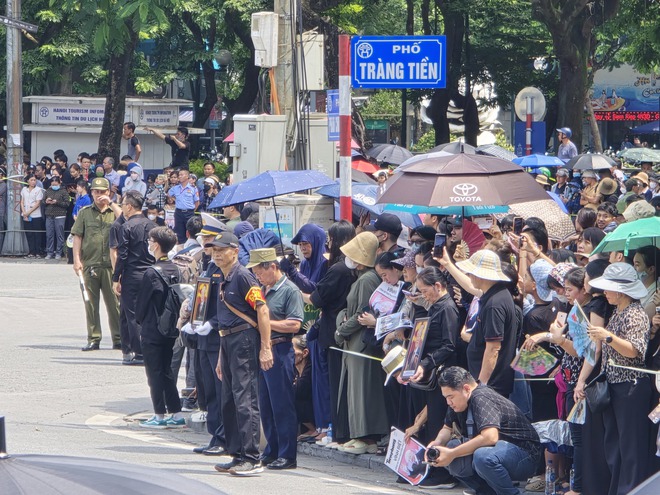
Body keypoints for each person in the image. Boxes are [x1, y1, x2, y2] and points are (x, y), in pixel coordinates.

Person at [208, 232, 274, 476]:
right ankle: (236, 454)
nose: (216, 253)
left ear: (234, 251)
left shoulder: (243, 276)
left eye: (221, 249)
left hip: (244, 340)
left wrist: (265, 347)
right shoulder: (224, 277)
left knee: (245, 398)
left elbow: (262, 310)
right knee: (229, 400)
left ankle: (251, 456)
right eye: (213, 249)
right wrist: (219, 358)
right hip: (228, 341)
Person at [584, 263, 652, 494]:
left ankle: (631, 489)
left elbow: (634, 351)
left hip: (630, 386)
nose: (605, 292)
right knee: (614, 445)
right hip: (614, 385)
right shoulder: (618, 312)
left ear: (622, 291)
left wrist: (608, 337)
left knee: (630, 446)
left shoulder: (636, 314)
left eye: (609, 288)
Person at [427, 366, 541, 495]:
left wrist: (452, 453)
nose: (448, 402)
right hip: (500, 452)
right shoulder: (458, 401)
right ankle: (486, 492)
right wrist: (438, 443)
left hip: (525, 455)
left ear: (466, 389)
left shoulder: (481, 397)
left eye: (451, 396)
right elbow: (447, 428)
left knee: (482, 456)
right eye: (446, 397)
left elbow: (490, 437)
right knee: (447, 449)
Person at [250, 248, 304, 470]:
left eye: (260, 272)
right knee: (266, 404)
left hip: (280, 349)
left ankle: (287, 454)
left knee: (282, 404)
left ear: (272, 266)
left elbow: (295, 324)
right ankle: (271, 450)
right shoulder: (262, 289)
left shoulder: (290, 290)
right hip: (263, 349)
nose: (258, 277)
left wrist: (264, 323)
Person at [335, 231, 389, 454]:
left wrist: (340, 330)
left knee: (363, 390)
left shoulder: (367, 279)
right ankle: (358, 434)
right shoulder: (364, 278)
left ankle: (366, 436)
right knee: (357, 389)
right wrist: (342, 325)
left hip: (359, 342)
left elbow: (360, 313)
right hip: (354, 341)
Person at [307, 220, 357, 444]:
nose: (328, 244)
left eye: (331, 239)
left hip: (332, 331)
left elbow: (317, 298)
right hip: (339, 331)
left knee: (334, 383)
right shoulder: (346, 268)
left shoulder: (339, 269)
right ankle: (333, 429)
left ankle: (335, 430)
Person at [135, 226, 185, 428]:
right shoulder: (177, 269)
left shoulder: (151, 273)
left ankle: (159, 414)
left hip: (153, 329)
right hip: (171, 327)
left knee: (154, 373)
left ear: (156, 244)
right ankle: (175, 412)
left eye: (150, 240)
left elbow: (141, 306)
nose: (148, 244)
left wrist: (139, 321)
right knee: (167, 371)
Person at [456, 250, 517, 397]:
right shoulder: (494, 295)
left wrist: (481, 385)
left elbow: (493, 349)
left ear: (480, 275)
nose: (469, 276)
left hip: (491, 385)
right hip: (490, 383)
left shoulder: (494, 304)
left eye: (471, 273)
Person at [71, 177, 122, 351]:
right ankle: (94, 338)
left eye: (102, 191)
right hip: (90, 264)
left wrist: (112, 204)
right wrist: (77, 260)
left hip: (111, 265)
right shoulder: (85, 212)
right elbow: (77, 236)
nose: (99, 195)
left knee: (115, 304)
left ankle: (118, 338)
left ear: (109, 192)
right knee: (91, 304)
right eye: (96, 191)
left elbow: (127, 221)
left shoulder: (115, 212)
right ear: (91, 192)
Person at [113, 190, 157, 365]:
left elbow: (122, 255)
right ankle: (135, 349)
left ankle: (138, 352)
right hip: (150, 273)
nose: (122, 208)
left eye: (123, 204)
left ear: (129, 207)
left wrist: (116, 277)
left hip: (132, 274)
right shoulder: (152, 225)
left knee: (131, 313)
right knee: (144, 313)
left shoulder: (127, 227)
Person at [167, 169, 200, 245]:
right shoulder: (175, 188)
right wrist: (174, 199)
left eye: (182, 175)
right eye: (179, 175)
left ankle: (190, 247)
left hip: (189, 212)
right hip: (178, 212)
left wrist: (192, 211)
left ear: (187, 176)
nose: (180, 176)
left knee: (190, 231)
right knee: (179, 233)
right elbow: (168, 194)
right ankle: (181, 248)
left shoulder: (193, 188)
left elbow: (197, 202)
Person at [43, 174, 70, 260]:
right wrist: (46, 201)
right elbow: (43, 201)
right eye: (52, 184)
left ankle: (59, 252)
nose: (54, 186)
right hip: (49, 215)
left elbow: (67, 203)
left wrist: (57, 202)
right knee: (49, 235)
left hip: (60, 215)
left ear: (59, 183)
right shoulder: (47, 191)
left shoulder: (64, 191)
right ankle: (49, 252)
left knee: (59, 235)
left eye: (56, 184)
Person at [20, 175, 45, 258]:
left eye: (34, 180)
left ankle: (38, 252)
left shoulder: (38, 190)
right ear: (28, 181)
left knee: (37, 234)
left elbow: (37, 203)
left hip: (36, 215)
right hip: (26, 214)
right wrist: (24, 212)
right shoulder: (24, 190)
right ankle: (31, 251)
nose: (33, 181)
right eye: (31, 180)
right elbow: (22, 202)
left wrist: (28, 212)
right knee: (29, 234)